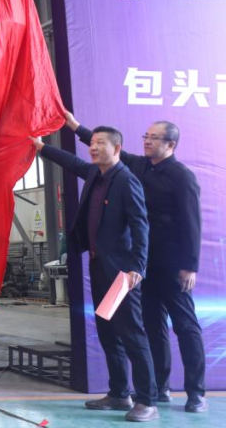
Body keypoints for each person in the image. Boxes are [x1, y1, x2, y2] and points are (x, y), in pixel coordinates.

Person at [64, 113, 206, 413]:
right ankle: (161, 388)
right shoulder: (139, 165)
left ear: (171, 144)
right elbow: (108, 148)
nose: (147, 141)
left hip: (172, 264)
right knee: (152, 327)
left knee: (185, 326)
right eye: (145, 136)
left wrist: (189, 265)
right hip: (141, 264)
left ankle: (196, 392)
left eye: (153, 138)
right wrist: (76, 127)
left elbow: (192, 223)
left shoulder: (182, 176)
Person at [32, 127, 158, 422]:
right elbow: (72, 163)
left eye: (101, 143)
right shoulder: (95, 174)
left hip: (121, 274)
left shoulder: (126, 181)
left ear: (116, 148)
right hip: (98, 266)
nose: (94, 147)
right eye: (93, 142)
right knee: (108, 332)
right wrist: (42, 148)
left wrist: (136, 268)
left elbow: (141, 227)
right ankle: (118, 393)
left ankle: (147, 401)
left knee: (132, 335)